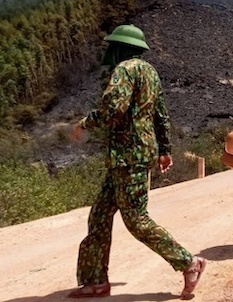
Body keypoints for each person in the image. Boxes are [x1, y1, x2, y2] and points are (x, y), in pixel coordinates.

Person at [69, 24, 206, 299]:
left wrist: (85, 123)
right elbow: (162, 115)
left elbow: (113, 108)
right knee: (99, 216)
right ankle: (96, 281)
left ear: (119, 48)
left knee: (136, 220)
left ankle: (188, 262)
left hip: (127, 158)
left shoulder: (124, 70)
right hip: (131, 158)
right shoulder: (151, 73)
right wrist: (165, 149)